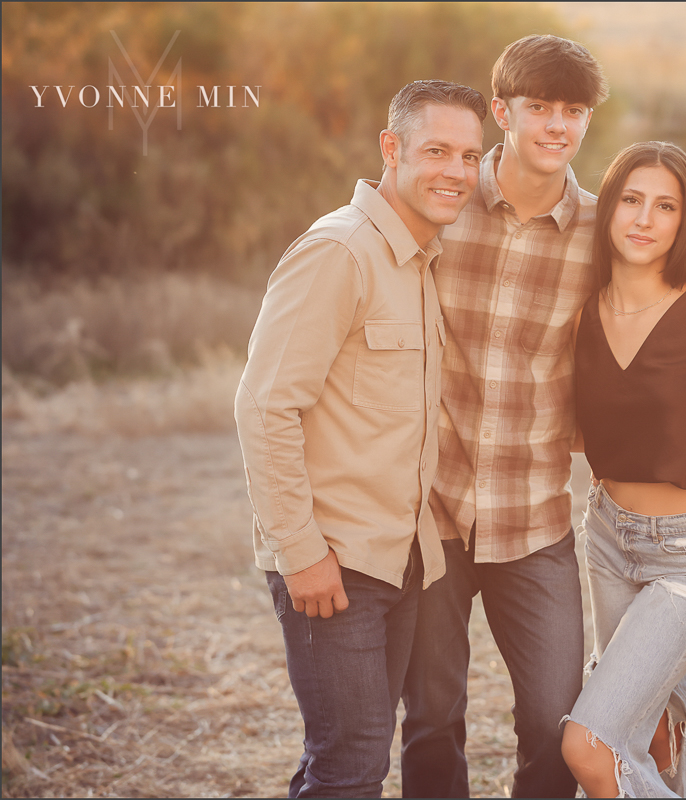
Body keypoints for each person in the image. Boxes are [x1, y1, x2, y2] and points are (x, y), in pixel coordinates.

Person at [234, 80, 486, 798]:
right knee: (350, 767)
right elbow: (263, 406)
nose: (456, 172)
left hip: (399, 560)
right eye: (436, 150)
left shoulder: (416, 259)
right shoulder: (340, 252)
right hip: (335, 568)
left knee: (347, 760)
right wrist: (302, 551)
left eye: (469, 156)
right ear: (391, 148)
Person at [399, 35, 608, 798]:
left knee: (557, 721)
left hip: (535, 519)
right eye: (539, 107)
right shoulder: (442, 200)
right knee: (429, 715)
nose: (556, 125)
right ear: (501, 111)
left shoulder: (601, 231)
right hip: (435, 515)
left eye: (574, 111)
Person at [559, 141, 686, 798]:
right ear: (608, 209)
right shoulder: (582, 315)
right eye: (631, 200)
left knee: (591, 743)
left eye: (666, 206)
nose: (644, 218)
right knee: (649, 730)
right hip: (605, 537)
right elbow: (580, 431)